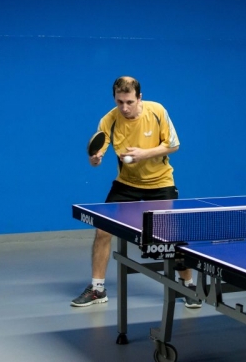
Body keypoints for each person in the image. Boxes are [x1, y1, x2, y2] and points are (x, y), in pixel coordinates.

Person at [71, 76, 201, 309]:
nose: (124, 107)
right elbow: (97, 155)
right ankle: (97, 289)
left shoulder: (157, 111)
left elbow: (174, 145)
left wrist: (144, 153)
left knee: (170, 238)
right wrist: (95, 159)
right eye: (120, 102)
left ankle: (188, 286)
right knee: (102, 231)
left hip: (160, 182)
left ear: (139, 97)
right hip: (126, 183)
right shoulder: (109, 120)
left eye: (129, 102)